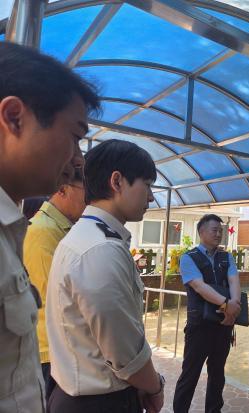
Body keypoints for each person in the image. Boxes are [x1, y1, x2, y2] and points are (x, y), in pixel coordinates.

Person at [0, 41, 99, 412]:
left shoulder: (12, 228)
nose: (78, 160)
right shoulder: (38, 231)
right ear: (14, 118)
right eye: (75, 136)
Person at [46, 140, 164, 413]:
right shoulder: (101, 249)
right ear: (117, 181)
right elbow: (126, 355)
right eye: (147, 184)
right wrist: (155, 386)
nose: (151, 197)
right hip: (99, 403)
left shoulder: (85, 236)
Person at [23, 168, 86, 401]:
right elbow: (55, 298)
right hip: (49, 350)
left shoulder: (61, 228)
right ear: (62, 189)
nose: (91, 201)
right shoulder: (43, 231)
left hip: (57, 348)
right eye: (87, 192)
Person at [173, 214, 241, 413]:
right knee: (190, 374)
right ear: (201, 232)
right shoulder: (188, 258)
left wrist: (234, 306)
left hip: (224, 325)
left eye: (221, 230)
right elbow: (199, 286)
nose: (219, 234)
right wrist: (226, 304)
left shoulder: (226, 257)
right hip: (199, 327)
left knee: (217, 374)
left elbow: (234, 281)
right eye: (214, 230)